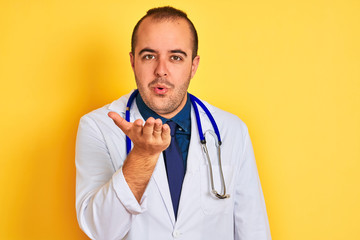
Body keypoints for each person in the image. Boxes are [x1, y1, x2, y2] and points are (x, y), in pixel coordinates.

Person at [76, 6, 271, 240]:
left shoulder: (231, 130)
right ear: (132, 61)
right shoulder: (98, 126)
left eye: (176, 57)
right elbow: (101, 232)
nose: (161, 71)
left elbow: (254, 230)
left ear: (194, 65)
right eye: (149, 56)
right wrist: (142, 158)